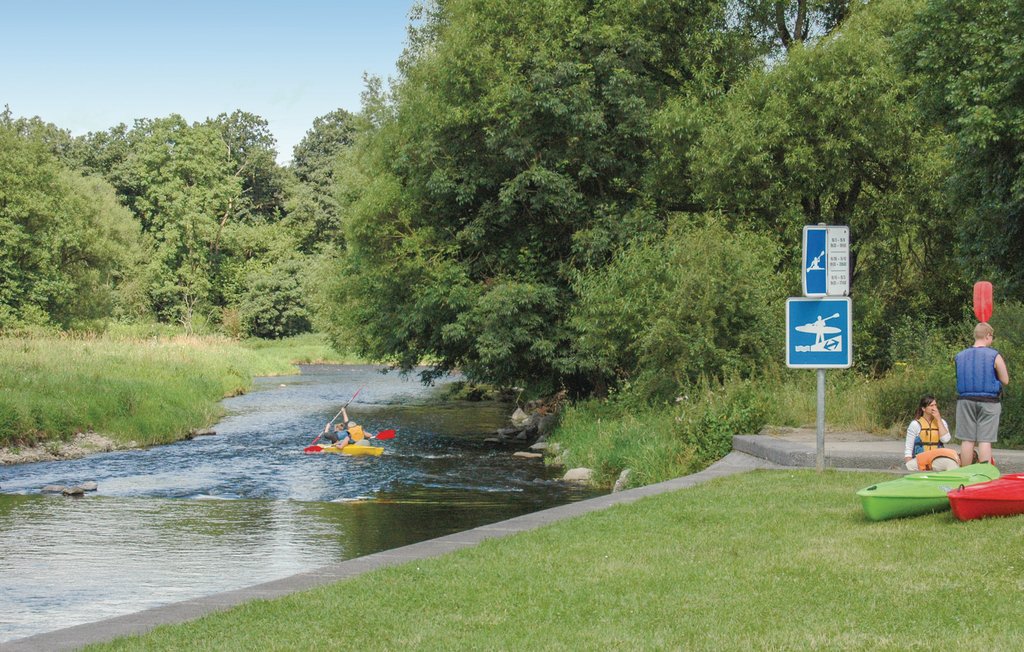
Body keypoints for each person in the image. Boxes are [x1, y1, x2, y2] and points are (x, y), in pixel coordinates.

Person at [954, 322, 1010, 466]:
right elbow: (1005, 380)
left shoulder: (959, 356)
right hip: (989, 401)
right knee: (985, 440)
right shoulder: (994, 355)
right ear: (988, 335)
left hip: (965, 401)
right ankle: (983, 476)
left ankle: (965, 475)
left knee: (967, 440)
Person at [903, 395, 958, 471]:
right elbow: (908, 448)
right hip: (921, 459)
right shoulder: (915, 424)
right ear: (923, 408)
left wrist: (938, 419)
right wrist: (908, 463)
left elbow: (946, 440)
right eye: (931, 405)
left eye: (935, 405)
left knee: (951, 464)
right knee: (909, 466)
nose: (934, 408)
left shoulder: (942, 422)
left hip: (936, 459)